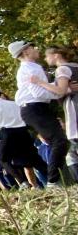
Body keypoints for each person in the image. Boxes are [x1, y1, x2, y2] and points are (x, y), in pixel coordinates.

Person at [9, 41, 69, 186]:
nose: (36, 49)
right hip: (34, 108)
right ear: (25, 52)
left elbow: (42, 90)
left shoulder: (34, 67)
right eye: (32, 47)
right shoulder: (29, 70)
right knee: (59, 141)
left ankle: (54, 179)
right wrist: (62, 91)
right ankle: (53, 181)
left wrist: (59, 87)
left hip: (38, 108)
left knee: (59, 141)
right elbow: (38, 93)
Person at [29, 46, 78, 168]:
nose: (45, 59)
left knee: (75, 140)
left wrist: (40, 83)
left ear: (56, 55)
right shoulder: (75, 66)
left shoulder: (62, 69)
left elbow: (60, 91)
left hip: (74, 104)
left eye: (47, 56)